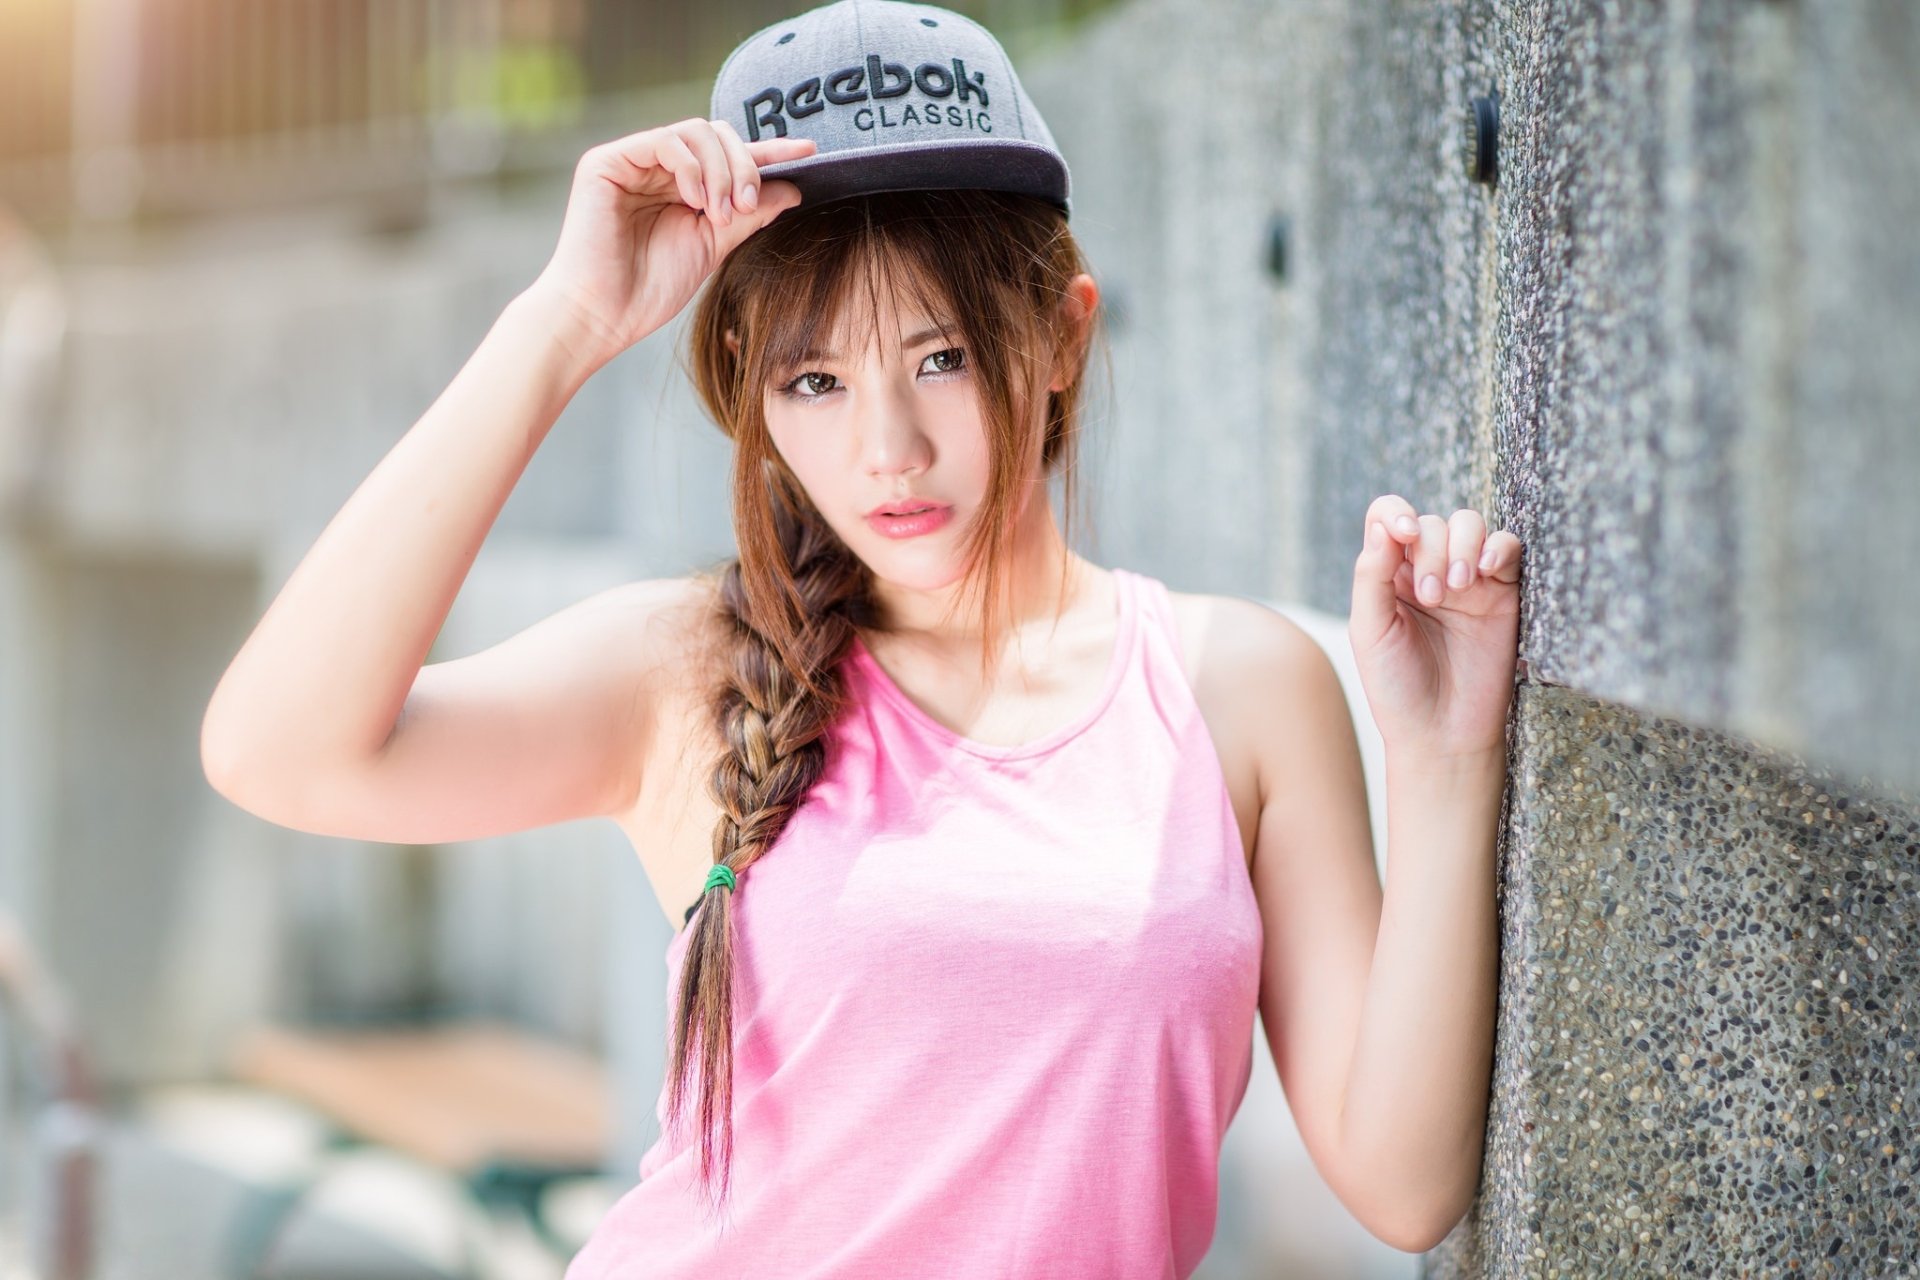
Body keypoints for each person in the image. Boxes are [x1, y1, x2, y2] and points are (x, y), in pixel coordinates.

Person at [201, 0, 1524, 1273]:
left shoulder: (1235, 691)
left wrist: (1449, 751)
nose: (886, 450)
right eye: (815, 381)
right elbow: (279, 753)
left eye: (940, 357)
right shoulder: (698, 672)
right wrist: (565, 322)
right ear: (753, 396)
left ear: (1063, 334)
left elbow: (1402, 1182)